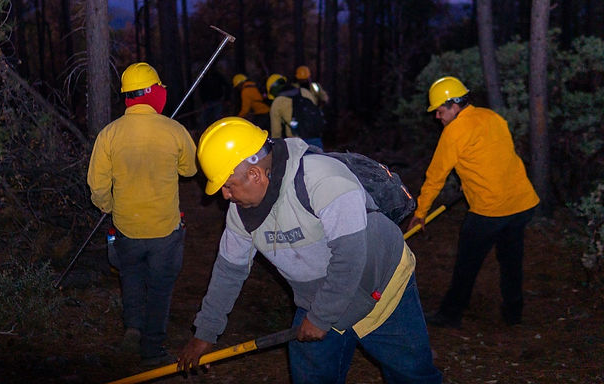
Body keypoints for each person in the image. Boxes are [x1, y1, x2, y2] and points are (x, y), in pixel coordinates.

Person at [178, 117, 442, 384]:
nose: (224, 196)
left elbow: (350, 258)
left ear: (255, 174)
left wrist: (320, 318)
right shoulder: (241, 214)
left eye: (227, 185)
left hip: (382, 289)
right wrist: (205, 333)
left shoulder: (322, 179)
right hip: (319, 298)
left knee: (412, 374)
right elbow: (228, 272)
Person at [87, 62, 197, 366]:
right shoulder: (174, 130)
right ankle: (152, 348)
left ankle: (132, 329)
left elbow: (97, 185)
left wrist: (108, 206)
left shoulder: (109, 134)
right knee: (160, 289)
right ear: (153, 92)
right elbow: (190, 169)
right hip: (165, 231)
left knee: (131, 279)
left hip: (126, 229)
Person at [407, 76, 540, 329]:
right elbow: (499, 156)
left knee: (467, 263)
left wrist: (421, 212)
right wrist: (469, 180)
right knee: (511, 260)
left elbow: (435, 178)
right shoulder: (493, 117)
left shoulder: (454, 132)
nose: (437, 116)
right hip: (521, 204)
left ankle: (450, 314)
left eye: (440, 110)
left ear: (455, 105)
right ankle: (514, 313)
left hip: (490, 211)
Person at [268, 73, 324, 149]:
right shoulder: (304, 91)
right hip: (316, 138)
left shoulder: (277, 102)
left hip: (297, 144)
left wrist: (275, 148)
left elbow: (276, 132)